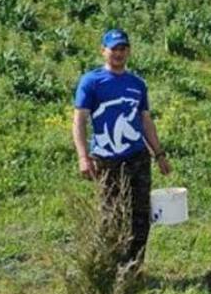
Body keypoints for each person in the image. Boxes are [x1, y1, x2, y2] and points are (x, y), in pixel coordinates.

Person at [72, 28, 171, 263]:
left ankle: (134, 266)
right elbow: (79, 120)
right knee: (112, 215)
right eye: (113, 49)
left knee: (140, 215)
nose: (118, 53)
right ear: (103, 51)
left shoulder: (137, 84)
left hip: (137, 157)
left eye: (123, 49)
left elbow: (145, 121)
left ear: (129, 52)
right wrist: (83, 157)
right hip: (107, 160)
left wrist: (159, 154)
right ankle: (111, 267)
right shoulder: (92, 82)